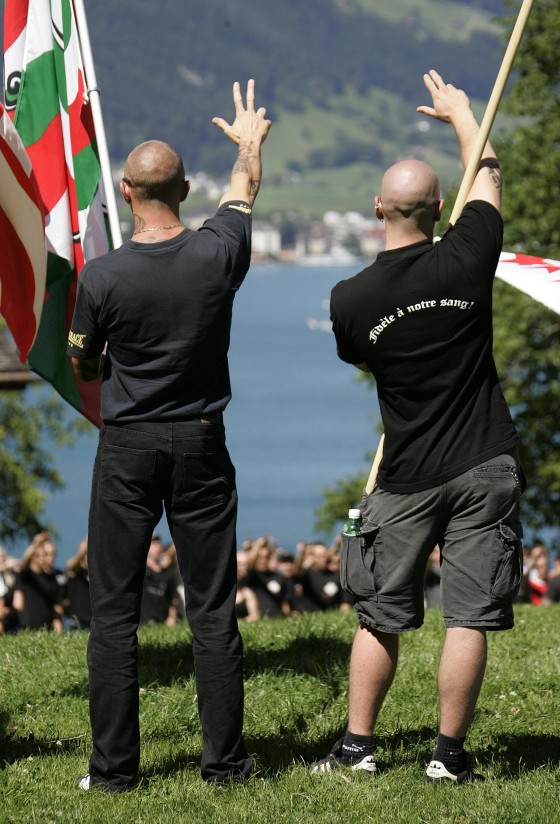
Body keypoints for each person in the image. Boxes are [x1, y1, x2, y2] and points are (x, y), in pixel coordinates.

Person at [310, 70, 524, 784]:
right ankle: (448, 757)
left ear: (377, 209)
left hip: (405, 474)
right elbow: (488, 178)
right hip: (485, 461)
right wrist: (465, 117)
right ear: (440, 207)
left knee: (380, 611)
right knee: (467, 615)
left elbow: (359, 353)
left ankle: (358, 748)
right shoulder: (470, 255)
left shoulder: (350, 301)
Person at [67, 79, 270, 791]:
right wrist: (249, 144)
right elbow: (244, 192)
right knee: (212, 609)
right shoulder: (219, 255)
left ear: (125, 192)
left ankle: (115, 773)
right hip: (202, 442)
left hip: (127, 447)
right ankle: (226, 767)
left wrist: (105, 358)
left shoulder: (104, 275)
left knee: (114, 614)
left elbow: (82, 361)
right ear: (185, 188)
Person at [12, 532, 65, 633]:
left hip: (47, 628)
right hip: (27, 626)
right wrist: (36, 544)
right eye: (43, 554)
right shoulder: (26, 574)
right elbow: (25, 561)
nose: (44, 558)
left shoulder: (53, 577)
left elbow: (56, 607)